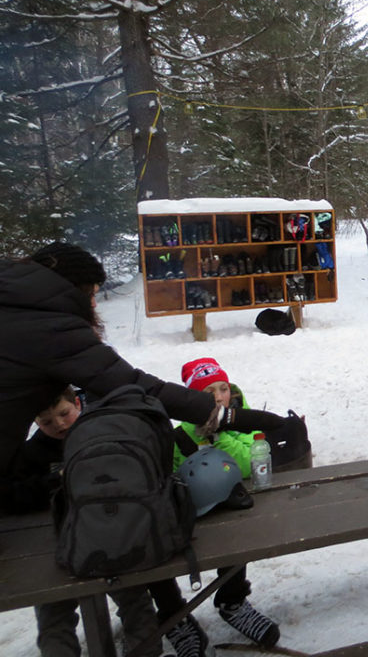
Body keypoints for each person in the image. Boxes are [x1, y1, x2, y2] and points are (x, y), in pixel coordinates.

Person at [0, 242, 288, 483]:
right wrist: (223, 415)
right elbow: (135, 387)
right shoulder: (48, 326)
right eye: (91, 294)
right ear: (72, 288)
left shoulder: (17, 307)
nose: (94, 305)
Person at [6, 388, 164, 657]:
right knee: (53, 614)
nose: (58, 424)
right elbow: (15, 496)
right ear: (35, 422)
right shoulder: (31, 453)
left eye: (64, 414)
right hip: (56, 544)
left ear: (78, 403)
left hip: (110, 536)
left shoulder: (101, 431)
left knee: (135, 602)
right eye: (46, 421)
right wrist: (56, 481)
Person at [149, 357, 280, 653]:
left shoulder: (240, 421)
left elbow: (250, 463)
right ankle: (175, 616)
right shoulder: (180, 434)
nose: (218, 397)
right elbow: (167, 472)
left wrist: (219, 436)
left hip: (233, 507)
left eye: (222, 389)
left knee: (237, 539)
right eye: (208, 394)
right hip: (193, 513)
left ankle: (232, 601)